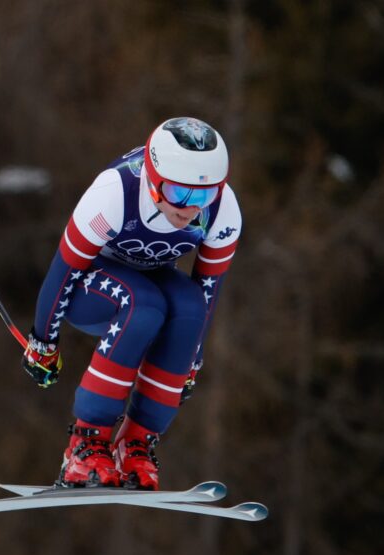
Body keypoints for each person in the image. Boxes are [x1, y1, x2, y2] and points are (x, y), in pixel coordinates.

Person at [22, 117, 242, 490]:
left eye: (202, 196)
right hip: (89, 290)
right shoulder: (115, 192)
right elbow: (64, 270)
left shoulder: (222, 212)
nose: (189, 209)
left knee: (189, 308)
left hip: (150, 281)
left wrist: (193, 360)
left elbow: (207, 288)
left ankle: (135, 444)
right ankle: (85, 444)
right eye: (178, 193)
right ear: (154, 180)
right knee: (144, 305)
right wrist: (43, 340)